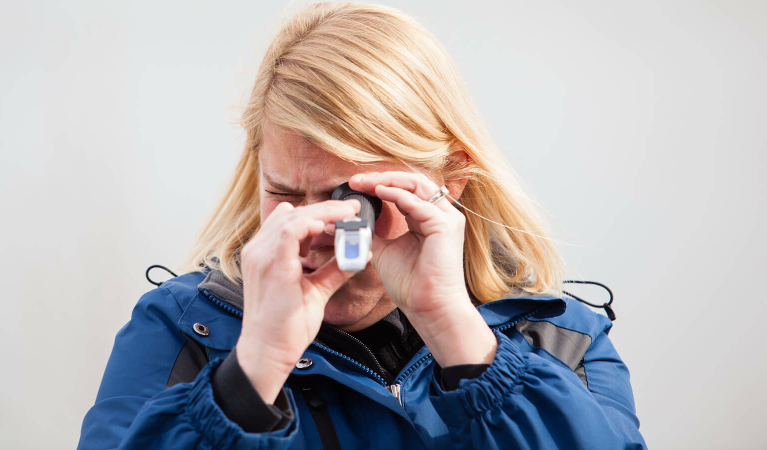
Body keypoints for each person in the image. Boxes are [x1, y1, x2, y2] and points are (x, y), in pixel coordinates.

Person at [78, 3, 646, 449]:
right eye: (282, 192)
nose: (314, 229)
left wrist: (453, 330)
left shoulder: (561, 342)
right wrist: (250, 374)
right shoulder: (182, 332)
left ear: (448, 182)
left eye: (350, 199)